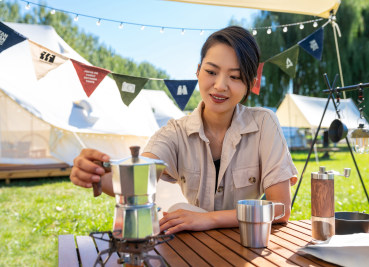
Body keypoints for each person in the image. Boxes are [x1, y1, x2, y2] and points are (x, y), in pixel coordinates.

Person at [70, 26, 298, 235]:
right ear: (198, 71)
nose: (220, 85)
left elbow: (280, 210)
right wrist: (97, 175)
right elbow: (138, 182)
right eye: (211, 72)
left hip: (249, 246)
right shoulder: (174, 133)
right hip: (194, 248)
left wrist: (209, 219)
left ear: (250, 83)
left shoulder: (265, 124)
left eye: (235, 76)